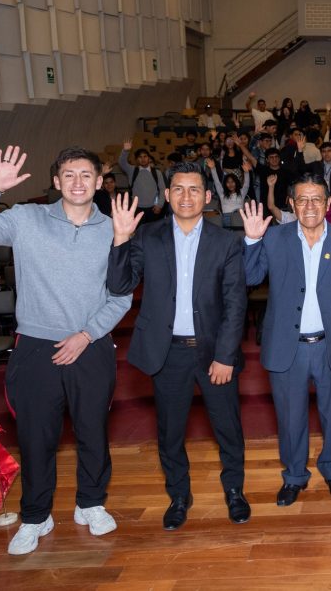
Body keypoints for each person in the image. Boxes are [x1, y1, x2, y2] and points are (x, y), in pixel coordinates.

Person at [0, 146, 132, 555]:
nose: (78, 182)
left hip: (91, 344)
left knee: (92, 433)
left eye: (86, 175)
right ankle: (36, 516)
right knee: (35, 437)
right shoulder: (25, 219)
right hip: (35, 346)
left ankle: (91, 502)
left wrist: (86, 334)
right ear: (56, 182)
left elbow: (121, 297)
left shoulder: (114, 228)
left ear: (100, 181)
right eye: (69, 175)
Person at [107, 163, 249, 530]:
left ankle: (234, 491)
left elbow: (236, 304)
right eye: (179, 189)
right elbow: (120, 285)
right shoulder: (146, 237)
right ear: (167, 195)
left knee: (228, 429)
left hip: (213, 352)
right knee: (170, 432)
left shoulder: (226, 242)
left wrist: (225, 355)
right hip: (167, 352)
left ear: (207, 197)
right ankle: (179, 496)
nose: (186, 197)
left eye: (194, 190)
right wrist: (121, 238)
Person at [241, 175, 331, 506]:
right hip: (288, 346)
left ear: (328, 204)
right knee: (290, 416)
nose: (309, 206)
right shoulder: (274, 238)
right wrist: (252, 241)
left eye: (316, 199)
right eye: (302, 200)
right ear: (292, 204)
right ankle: (295, 475)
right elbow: (251, 278)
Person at [118, 141, 167, 222]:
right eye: (140, 157)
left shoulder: (157, 173)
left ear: (149, 158)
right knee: (138, 232)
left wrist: (160, 205)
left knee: (152, 232)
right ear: (137, 159)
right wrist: (125, 151)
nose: (143, 159)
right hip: (136, 208)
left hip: (153, 208)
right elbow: (121, 162)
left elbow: (162, 189)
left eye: (145, 156)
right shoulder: (132, 170)